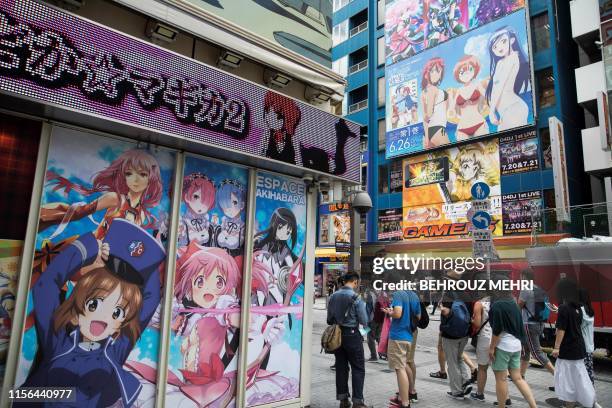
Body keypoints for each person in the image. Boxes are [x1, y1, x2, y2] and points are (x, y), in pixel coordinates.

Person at [20, 219, 166, 407]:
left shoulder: (115, 350)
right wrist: (88, 248)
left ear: (121, 323)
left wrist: (144, 265)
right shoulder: (58, 339)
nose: (104, 316)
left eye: (117, 313)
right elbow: (45, 285)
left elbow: (150, 299)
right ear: (77, 308)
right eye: (94, 304)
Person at [327, 273, 372, 408]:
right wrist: (364, 333)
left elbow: (329, 319)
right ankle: (358, 402)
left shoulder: (333, 296)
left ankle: (343, 400)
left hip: (337, 336)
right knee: (358, 368)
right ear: (355, 282)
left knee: (341, 368)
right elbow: (365, 321)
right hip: (352, 335)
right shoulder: (356, 298)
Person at [489, 286, 537, 408]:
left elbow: (497, 331)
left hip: (503, 346)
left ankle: (501, 406)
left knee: (501, 379)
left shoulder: (497, 305)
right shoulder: (513, 302)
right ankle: (533, 406)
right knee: (518, 378)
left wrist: (491, 348)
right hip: (516, 345)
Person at [552, 280, 597, 408]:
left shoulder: (564, 308)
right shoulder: (577, 308)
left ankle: (571, 405)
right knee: (580, 379)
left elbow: (561, 329)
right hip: (579, 348)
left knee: (567, 382)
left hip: (568, 350)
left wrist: (556, 348)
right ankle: (589, 401)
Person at [485, 26, 530, 131]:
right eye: (494, 47)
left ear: (512, 40)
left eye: (503, 41)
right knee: (508, 145)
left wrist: (491, 112)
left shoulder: (513, 57)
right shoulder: (500, 63)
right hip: (506, 111)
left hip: (513, 108)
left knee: (516, 145)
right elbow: (496, 87)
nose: (499, 47)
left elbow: (500, 85)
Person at [385, 285, 421, 408]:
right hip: (409, 336)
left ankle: (404, 402)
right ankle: (409, 393)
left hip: (397, 336)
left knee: (399, 368)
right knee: (405, 365)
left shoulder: (398, 294)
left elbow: (398, 313)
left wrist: (390, 312)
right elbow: (418, 317)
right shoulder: (414, 295)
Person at [518, 269, 555, 380]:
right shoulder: (539, 289)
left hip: (529, 324)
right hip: (539, 323)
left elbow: (518, 306)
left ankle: (558, 377)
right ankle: (521, 375)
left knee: (536, 352)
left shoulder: (525, 289)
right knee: (526, 350)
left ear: (524, 277)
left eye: (521, 276)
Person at [439, 291, 472, 400]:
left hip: (450, 336)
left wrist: (440, 306)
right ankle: (466, 380)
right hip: (464, 334)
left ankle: (457, 392)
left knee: (452, 363)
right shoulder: (467, 295)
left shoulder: (447, 297)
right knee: (459, 358)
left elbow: (445, 311)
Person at [450, 55, 489, 141]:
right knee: (462, 153)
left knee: (485, 150)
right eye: (462, 72)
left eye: (470, 69)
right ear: (458, 75)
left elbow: (488, 97)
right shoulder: (459, 91)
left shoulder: (477, 85)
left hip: (478, 123)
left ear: (475, 70)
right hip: (462, 127)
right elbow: (451, 109)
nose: (466, 74)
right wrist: (457, 113)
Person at [420, 57, 450, 149]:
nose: (435, 74)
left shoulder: (423, 93)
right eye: (432, 71)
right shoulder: (433, 89)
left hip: (428, 132)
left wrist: (427, 139)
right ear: (426, 74)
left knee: (432, 162)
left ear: (441, 73)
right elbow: (429, 114)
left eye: (438, 71)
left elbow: (425, 118)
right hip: (438, 129)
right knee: (452, 156)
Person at [470, 291, 492, 402]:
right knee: (500, 372)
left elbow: (477, 324)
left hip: (485, 337)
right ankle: (505, 397)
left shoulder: (480, 304)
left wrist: (471, 320)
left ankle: (480, 394)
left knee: (483, 368)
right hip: (499, 338)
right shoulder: (500, 302)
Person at [363, 286, 379, 362]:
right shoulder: (381, 293)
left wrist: (365, 322)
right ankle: (384, 354)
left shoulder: (370, 294)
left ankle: (373, 356)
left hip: (371, 320)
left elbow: (368, 309)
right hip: (379, 319)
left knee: (370, 337)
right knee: (378, 336)